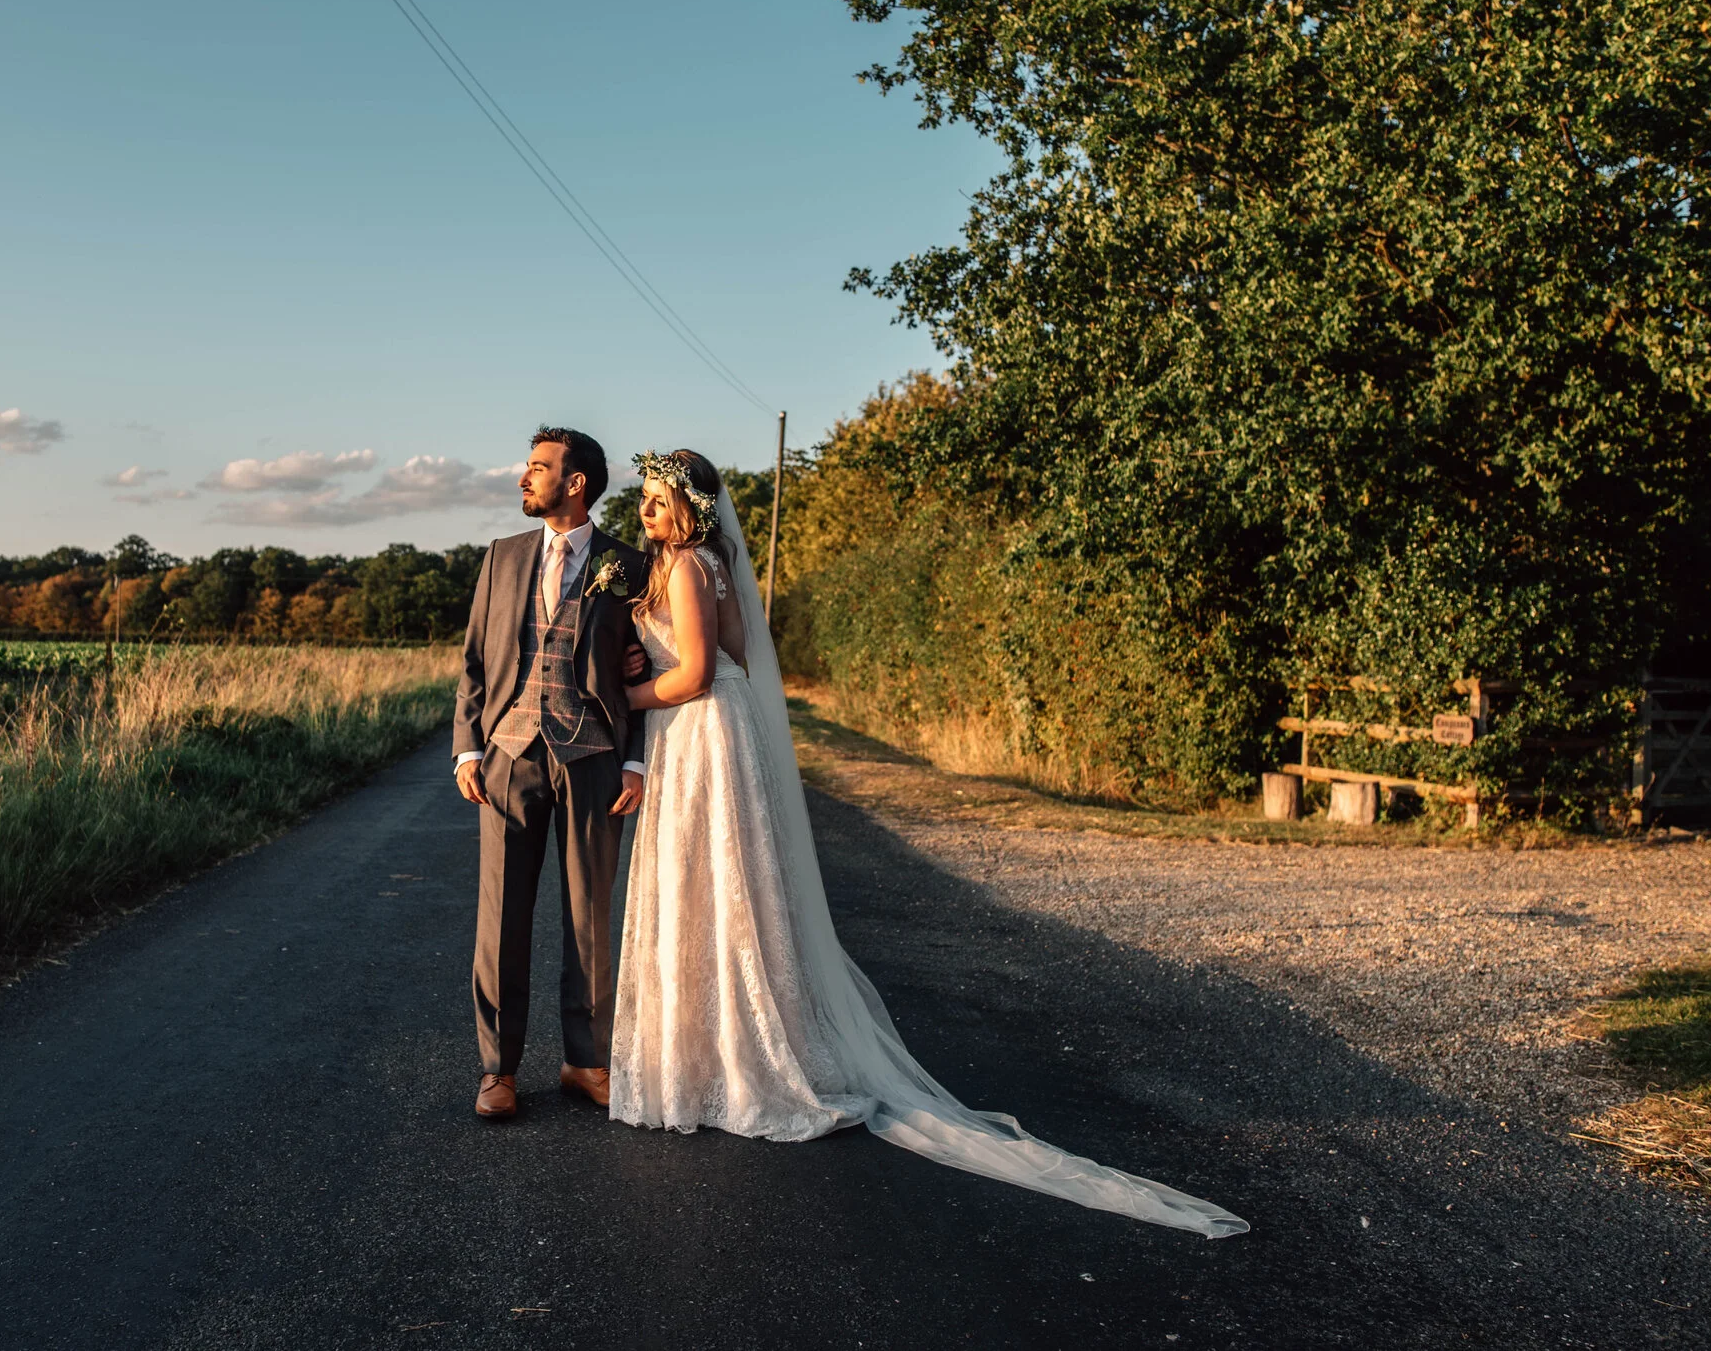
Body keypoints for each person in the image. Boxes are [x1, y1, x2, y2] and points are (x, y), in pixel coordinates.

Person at [606, 448, 1248, 1238]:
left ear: (692, 507)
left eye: (660, 498)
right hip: (712, 736)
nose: (647, 511)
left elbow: (699, 670)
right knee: (717, 891)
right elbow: (735, 654)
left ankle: (726, 1063)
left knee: (706, 888)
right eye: (644, 498)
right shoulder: (702, 561)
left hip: (700, 730)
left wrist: (622, 694)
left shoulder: (688, 564)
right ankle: (715, 1052)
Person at [451, 427, 652, 1120]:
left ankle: (585, 1060)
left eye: (537, 468)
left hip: (595, 756)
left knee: (589, 914)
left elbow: (648, 667)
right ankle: (498, 1069)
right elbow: (475, 660)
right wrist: (468, 748)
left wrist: (634, 758)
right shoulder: (502, 557)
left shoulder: (629, 564)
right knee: (501, 914)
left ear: (576, 483)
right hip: (508, 752)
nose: (522, 479)